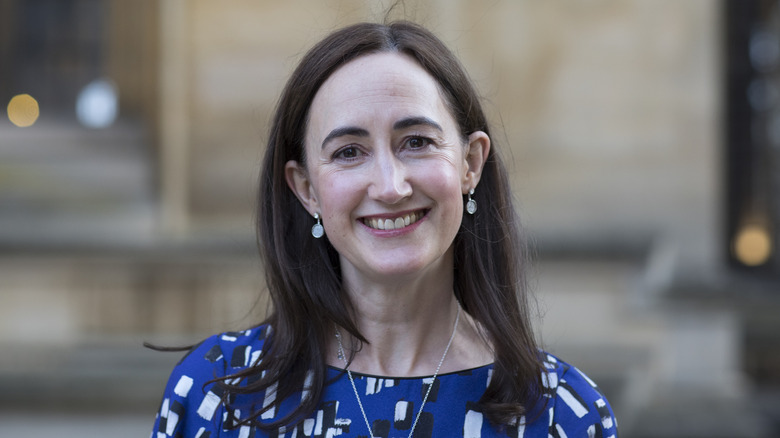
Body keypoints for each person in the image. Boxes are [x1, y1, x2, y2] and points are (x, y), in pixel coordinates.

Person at [151, 21, 618, 438]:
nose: (391, 187)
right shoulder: (217, 399)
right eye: (349, 152)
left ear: (470, 164)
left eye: (416, 142)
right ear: (306, 188)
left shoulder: (562, 416)